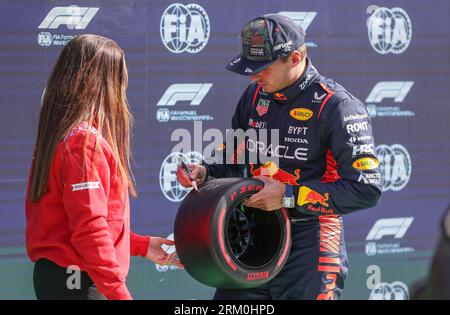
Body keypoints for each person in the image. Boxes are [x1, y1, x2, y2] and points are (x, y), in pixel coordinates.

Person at [177, 14, 382, 300]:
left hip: (311, 243)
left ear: (295, 58)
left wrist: (288, 196)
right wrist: (206, 172)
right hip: (253, 237)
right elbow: (234, 158)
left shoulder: (337, 106)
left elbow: (366, 189)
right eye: (250, 66)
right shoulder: (253, 97)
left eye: (263, 67)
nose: (253, 75)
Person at [26, 34, 182, 300]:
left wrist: (140, 245)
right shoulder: (83, 141)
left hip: (67, 280)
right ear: (103, 83)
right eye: (120, 80)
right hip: (79, 282)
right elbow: (89, 228)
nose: (122, 90)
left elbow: (79, 222)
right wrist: (119, 294)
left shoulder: (64, 135)